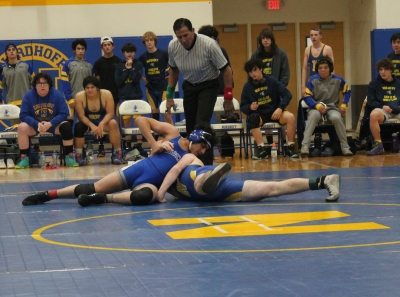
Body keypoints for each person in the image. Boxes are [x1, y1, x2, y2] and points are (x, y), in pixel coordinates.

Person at [21, 117, 217, 206]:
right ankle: (47, 195)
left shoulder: (192, 159)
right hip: (139, 169)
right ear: (196, 137)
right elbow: (141, 120)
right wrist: (154, 143)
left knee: (143, 197)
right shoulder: (172, 134)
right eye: (204, 146)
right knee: (90, 187)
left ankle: (102, 199)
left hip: (150, 183)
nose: (203, 151)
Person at [166, 18, 234, 165]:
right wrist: (169, 96)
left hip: (208, 84)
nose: (183, 40)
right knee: (191, 127)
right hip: (190, 85)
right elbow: (173, 71)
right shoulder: (173, 46)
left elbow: (227, 70)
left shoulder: (209, 45)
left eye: (186, 35)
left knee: (201, 124)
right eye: (179, 37)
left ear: (193, 31)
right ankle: (192, 162)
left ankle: (207, 162)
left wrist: (228, 97)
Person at [156, 153, 340, 203]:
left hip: (203, 177)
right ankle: (325, 181)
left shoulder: (186, 159)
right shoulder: (158, 180)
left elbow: (173, 171)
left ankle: (213, 176)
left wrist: (161, 195)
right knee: (271, 189)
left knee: (198, 183)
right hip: (224, 193)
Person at [14, 73, 79, 169]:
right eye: (39, 83)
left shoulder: (57, 94)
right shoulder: (28, 95)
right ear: (35, 85)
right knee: (22, 127)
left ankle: (69, 157)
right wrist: (36, 123)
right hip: (36, 125)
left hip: (53, 124)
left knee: (66, 126)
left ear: (49, 85)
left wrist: (50, 123)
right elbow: (23, 115)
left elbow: (64, 113)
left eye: (45, 83)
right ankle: (24, 159)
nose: (42, 86)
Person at [240, 59, 298, 159]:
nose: (253, 73)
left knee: (291, 117)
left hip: (276, 112)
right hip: (260, 115)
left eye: (255, 70)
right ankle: (262, 149)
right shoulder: (247, 87)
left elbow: (287, 94)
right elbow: (243, 106)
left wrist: (280, 108)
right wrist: (250, 107)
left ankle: (290, 147)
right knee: (252, 119)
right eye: (250, 72)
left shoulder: (272, 81)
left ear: (261, 69)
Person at [300, 56, 353, 157]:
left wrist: (344, 105)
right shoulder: (312, 80)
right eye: (320, 68)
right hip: (316, 108)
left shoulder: (339, 80)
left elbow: (347, 92)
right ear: (317, 69)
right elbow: (306, 96)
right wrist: (316, 105)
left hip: (332, 108)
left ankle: (345, 147)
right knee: (313, 116)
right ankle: (305, 146)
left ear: (330, 69)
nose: (322, 70)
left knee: (337, 118)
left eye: (325, 67)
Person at [73, 76, 122, 165]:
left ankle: (117, 152)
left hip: (104, 122)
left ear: (97, 88)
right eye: (87, 88)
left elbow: (110, 114)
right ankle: (79, 154)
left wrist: (102, 123)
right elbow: (81, 116)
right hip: (88, 124)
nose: (90, 90)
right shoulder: (79, 96)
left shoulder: (106, 94)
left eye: (92, 87)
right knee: (78, 126)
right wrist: (92, 126)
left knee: (113, 123)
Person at [93, 36, 123, 157]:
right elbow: (96, 81)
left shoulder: (119, 61)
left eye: (109, 44)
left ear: (113, 46)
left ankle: (116, 149)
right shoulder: (98, 63)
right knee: (102, 122)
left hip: (116, 96)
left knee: (114, 123)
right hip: (103, 98)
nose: (107, 47)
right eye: (104, 45)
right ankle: (101, 146)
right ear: (102, 47)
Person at [366, 59, 400, 155]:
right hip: (382, 110)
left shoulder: (398, 83)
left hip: (397, 109)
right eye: (381, 69)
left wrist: (397, 108)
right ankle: (378, 145)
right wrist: (382, 106)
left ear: (391, 70)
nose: (383, 72)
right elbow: (371, 102)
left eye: (385, 69)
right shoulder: (373, 84)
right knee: (373, 115)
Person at [138, 31, 172, 124]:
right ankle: (157, 135)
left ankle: (171, 133)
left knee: (166, 112)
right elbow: (135, 69)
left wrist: (170, 74)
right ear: (144, 43)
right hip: (151, 88)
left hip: (163, 87)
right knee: (154, 112)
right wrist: (143, 78)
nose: (149, 42)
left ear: (155, 41)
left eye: (151, 40)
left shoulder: (164, 53)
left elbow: (174, 65)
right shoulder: (142, 57)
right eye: (147, 40)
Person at [115, 42, 144, 150]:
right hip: (124, 97)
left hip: (136, 97)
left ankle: (139, 144)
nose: (129, 54)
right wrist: (126, 70)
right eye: (127, 52)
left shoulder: (139, 64)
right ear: (123, 53)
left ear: (135, 53)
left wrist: (131, 68)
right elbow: (118, 81)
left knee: (139, 122)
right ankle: (127, 145)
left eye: (131, 52)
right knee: (126, 122)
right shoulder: (119, 66)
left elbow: (136, 79)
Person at [61, 39, 93, 121]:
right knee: (68, 121)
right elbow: (65, 82)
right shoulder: (68, 64)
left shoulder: (89, 65)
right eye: (78, 49)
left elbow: (92, 84)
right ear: (74, 50)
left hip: (85, 99)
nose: (80, 51)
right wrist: (69, 98)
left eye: (82, 49)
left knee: (82, 122)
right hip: (71, 98)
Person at [0, 43, 34, 119]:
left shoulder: (26, 66)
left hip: (27, 101)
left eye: (13, 50)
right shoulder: (3, 70)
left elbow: (34, 82)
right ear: (6, 54)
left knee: (28, 126)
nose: (11, 51)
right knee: (16, 128)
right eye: (9, 50)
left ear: (17, 52)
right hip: (12, 103)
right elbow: (0, 86)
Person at [198, 25, 234, 95]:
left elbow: (229, 71)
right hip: (205, 91)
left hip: (221, 90)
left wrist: (229, 92)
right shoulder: (198, 53)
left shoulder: (221, 51)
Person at [301, 28, 334, 96]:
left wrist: (332, 83)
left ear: (320, 36)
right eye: (311, 35)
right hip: (312, 81)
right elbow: (304, 69)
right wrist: (303, 86)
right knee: (311, 103)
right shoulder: (307, 50)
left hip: (324, 82)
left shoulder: (327, 49)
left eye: (316, 35)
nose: (313, 37)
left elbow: (332, 68)